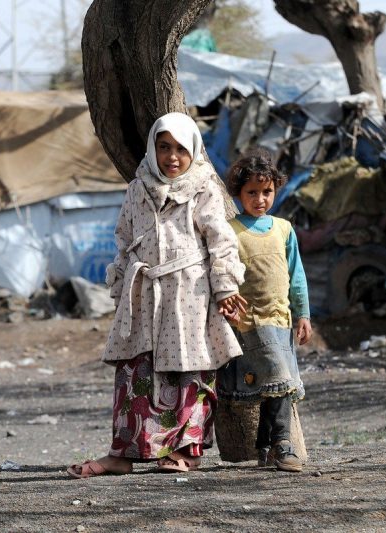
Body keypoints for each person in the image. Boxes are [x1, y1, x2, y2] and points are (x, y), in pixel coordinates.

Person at [67, 112, 247, 478]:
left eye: (181, 148)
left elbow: (222, 243)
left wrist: (226, 287)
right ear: (153, 149)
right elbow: (123, 240)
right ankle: (123, 454)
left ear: (193, 150)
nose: (172, 157)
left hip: (190, 294)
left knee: (191, 372)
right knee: (136, 374)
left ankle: (184, 452)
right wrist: (120, 288)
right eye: (164, 147)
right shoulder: (138, 187)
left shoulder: (204, 187)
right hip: (144, 294)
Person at [217, 149, 312, 473]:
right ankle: (284, 444)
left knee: (277, 383)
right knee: (280, 378)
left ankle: (266, 445)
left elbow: (296, 275)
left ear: (276, 189)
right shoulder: (230, 230)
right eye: (252, 192)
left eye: (267, 191)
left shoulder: (284, 229)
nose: (260, 198)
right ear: (239, 193)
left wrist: (303, 314)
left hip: (281, 318)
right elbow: (221, 272)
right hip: (250, 322)